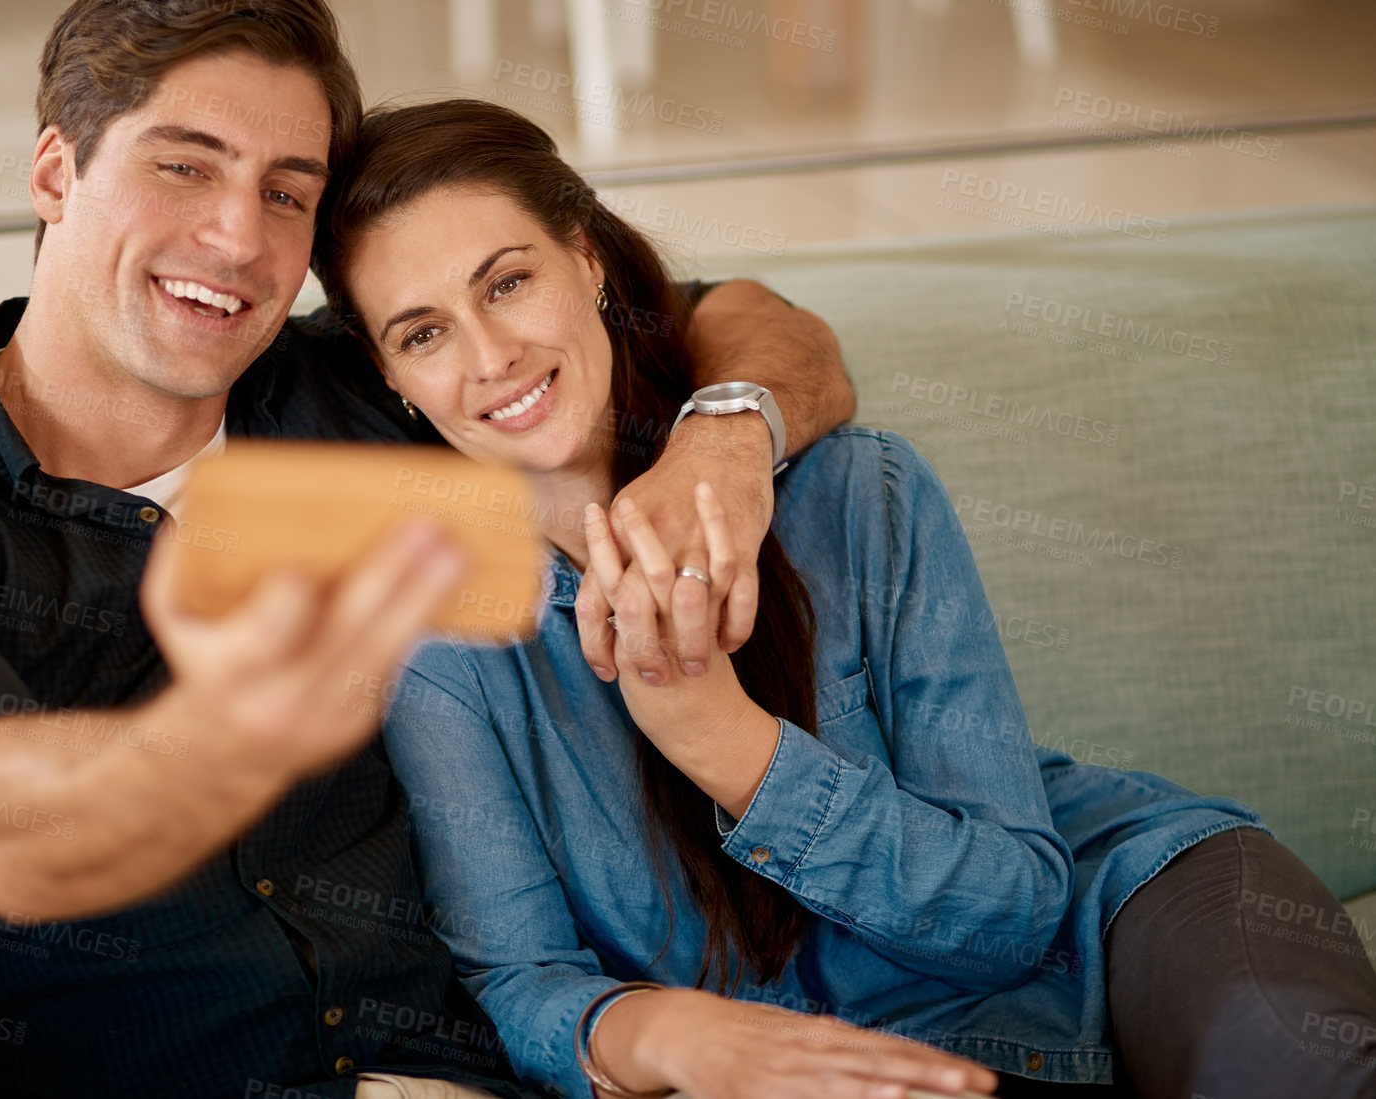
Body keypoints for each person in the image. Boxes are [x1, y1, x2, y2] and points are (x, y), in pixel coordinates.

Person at [0, 0, 907, 1098]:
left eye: (286, 192)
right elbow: (13, 831)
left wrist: (726, 443)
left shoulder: (371, 382)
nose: (241, 239)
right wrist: (229, 732)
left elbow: (737, 321)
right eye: (185, 168)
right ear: (55, 175)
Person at [310, 98, 1376, 1099]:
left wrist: (725, 743)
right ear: (392, 374)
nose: (491, 356)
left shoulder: (853, 490)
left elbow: (1015, 915)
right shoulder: (436, 640)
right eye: (423, 331)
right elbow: (523, 982)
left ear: (585, 259)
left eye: (506, 283)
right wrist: (684, 1038)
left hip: (1122, 910)